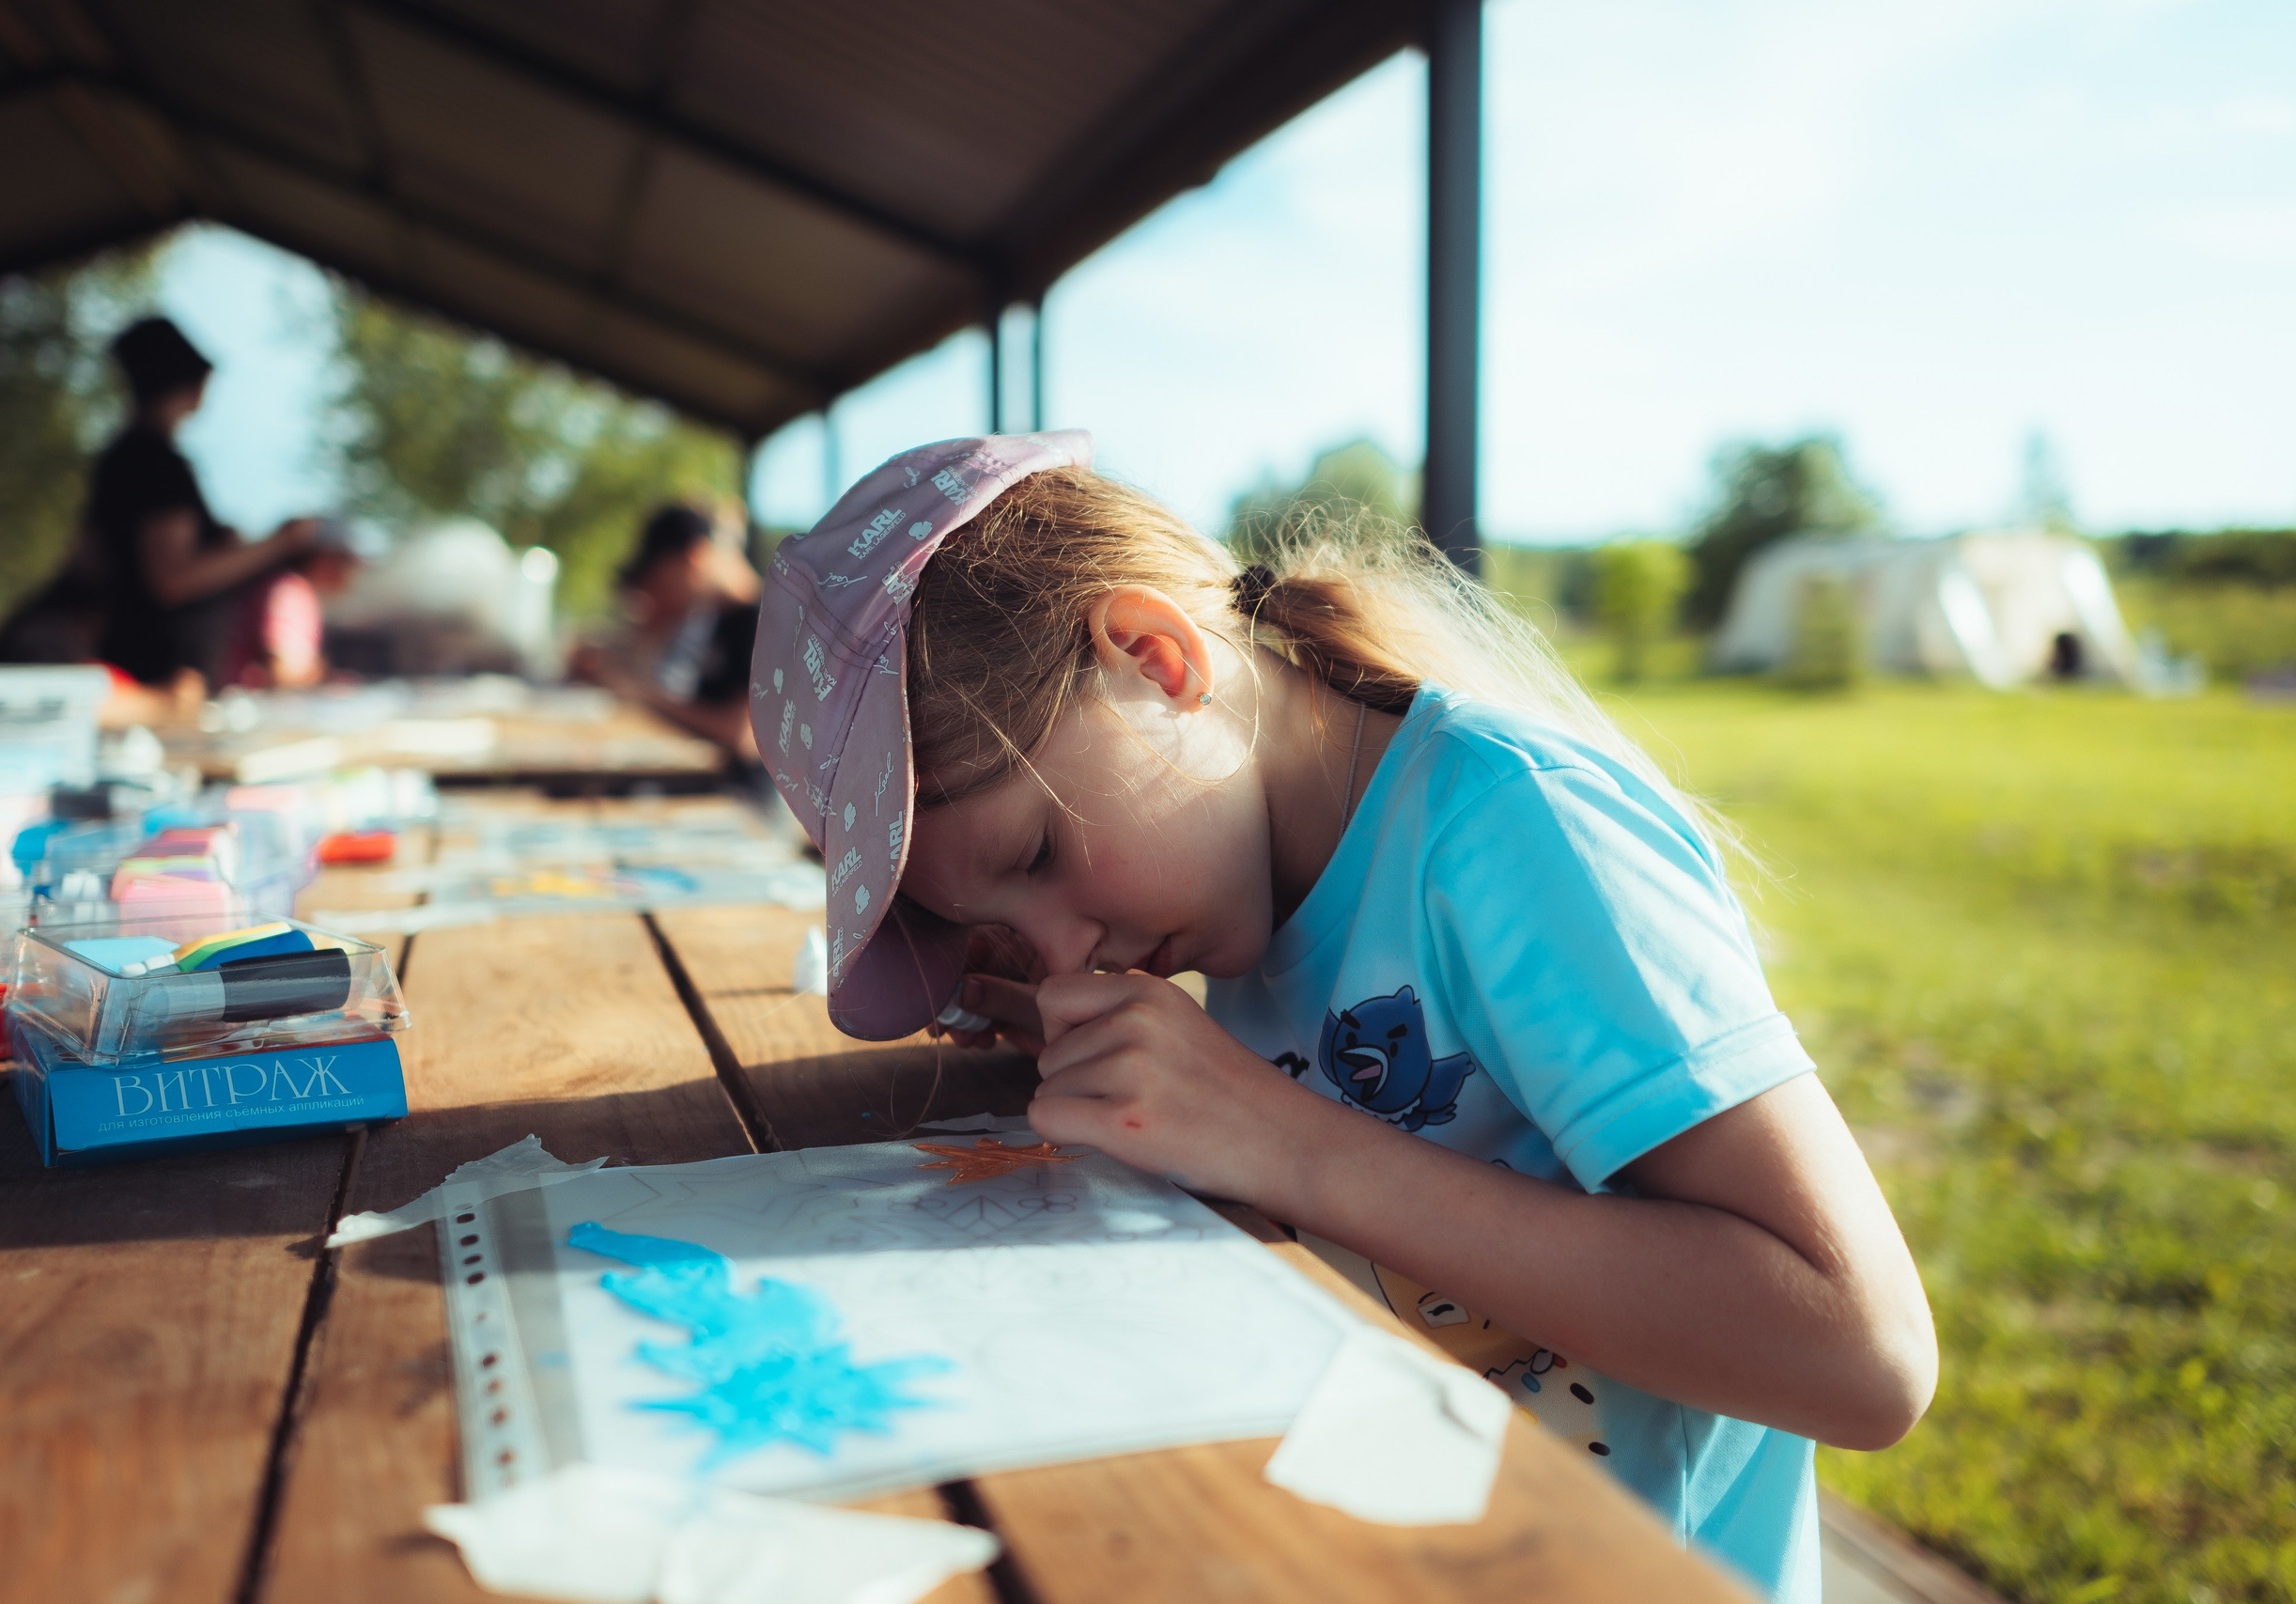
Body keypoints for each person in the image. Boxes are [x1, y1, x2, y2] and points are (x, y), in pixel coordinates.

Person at [748, 433, 1936, 1604]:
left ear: (1155, 660)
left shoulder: (1512, 834)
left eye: (1039, 854)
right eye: (998, 927)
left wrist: (1277, 1137)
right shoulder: (1247, 889)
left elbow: (1860, 1352)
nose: (1062, 952)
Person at [84, 317, 316, 688]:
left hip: (137, 668)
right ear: (189, 381)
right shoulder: (155, 462)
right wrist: (278, 543)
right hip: (159, 678)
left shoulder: (123, 459)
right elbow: (172, 578)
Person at [570, 500, 762, 761]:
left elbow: (741, 735)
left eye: (661, 582)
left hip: (746, 798)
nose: (659, 597)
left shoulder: (756, 620)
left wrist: (643, 695)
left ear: (693, 557)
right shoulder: (715, 618)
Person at [216, 520, 366, 689]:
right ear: (326, 557)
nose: (350, 575)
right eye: (346, 562)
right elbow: (285, 674)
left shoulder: (279, 585)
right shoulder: (290, 591)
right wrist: (323, 673)